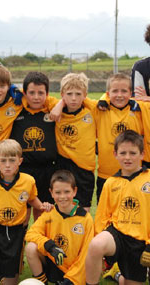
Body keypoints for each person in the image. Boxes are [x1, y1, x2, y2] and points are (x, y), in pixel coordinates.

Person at [85, 130, 150, 285]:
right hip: (118, 234)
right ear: (115, 154)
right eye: (123, 153)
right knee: (96, 245)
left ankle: (118, 276)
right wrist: (101, 245)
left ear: (142, 154)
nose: (127, 157)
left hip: (140, 241)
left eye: (132, 153)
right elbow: (102, 215)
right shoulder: (111, 183)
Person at [0, 139, 52, 285]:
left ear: (20, 161)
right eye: (3, 160)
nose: (7, 165)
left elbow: (32, 200)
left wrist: (43, 206)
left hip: (15, 233)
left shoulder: (28, 181)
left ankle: (0, 273)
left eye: (12, 160)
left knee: (11, 282)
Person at [25, 170, 94, 285]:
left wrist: (72, 280)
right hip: (54, 263)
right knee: (31, 248)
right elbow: (31, 233)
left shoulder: (85, 219)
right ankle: (43, 282)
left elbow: (85, 255)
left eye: (67, 191)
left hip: (75, 269)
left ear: (74, 191)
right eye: (57, 192)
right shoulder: (49, 213)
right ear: (51, 193)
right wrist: (49, 245)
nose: (62, 197)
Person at [10, 72, 57, 221]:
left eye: (40, 93)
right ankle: (20, 242)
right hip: (23, 170)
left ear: (47, 94)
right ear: (24, 93)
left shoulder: (53, 111)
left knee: (43, 213)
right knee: (22, 214)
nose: (36, 97)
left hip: (47, 170)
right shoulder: (16, 110)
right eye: (31, 93)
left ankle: (40, 243)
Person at [89, 73, 143, 202]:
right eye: (115, 91)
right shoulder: (100, 110)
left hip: (133, 174)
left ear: (131, 93)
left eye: (124, 91)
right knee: (105, 215)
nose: (119, 95)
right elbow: (81, 100)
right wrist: (103, 99)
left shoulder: (139, 111)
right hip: (105, 175)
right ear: (108, 93)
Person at [54, 73, 97, 211]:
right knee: (62, 208)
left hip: (84, 169)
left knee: (83, 210)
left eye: (78, 94)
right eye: (69, 94)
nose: (73, 98)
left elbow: (110, 101)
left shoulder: (93, 110)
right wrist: (60, 104)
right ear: (62, 94)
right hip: (63, 164)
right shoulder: (54, 108)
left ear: (85, 95)